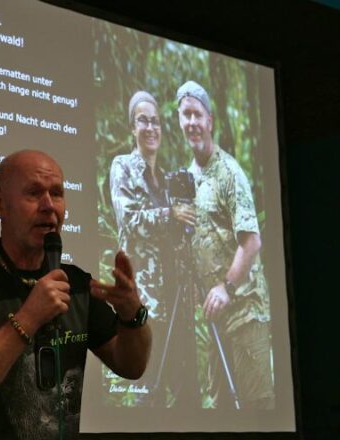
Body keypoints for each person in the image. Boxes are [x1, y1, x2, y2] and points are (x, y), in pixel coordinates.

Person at [0, 150, 151, 439]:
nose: (48, 206)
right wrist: (29, 318)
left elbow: (131, 366)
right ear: (0, 204)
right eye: (34, 193)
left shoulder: (78, 284)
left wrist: (132, 315)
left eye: (56, 194)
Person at [176, 80, 274, 410]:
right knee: (220, 409)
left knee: (256, 409)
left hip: (244, 310)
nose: (191, 122)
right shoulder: (190, 176)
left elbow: (251, 241)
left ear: (210, 120)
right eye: (185, 115)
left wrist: (226, 287)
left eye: (197, 114)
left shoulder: (229, 171)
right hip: (216, 318)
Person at [108, 91, 198, 407]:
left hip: (176, 301)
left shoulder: (167, 179)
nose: (151, 127)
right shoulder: (123, 167)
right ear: (133, 128)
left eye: (156, 121)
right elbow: (130, 220)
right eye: (143, 120)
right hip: (145, 303)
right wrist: (170, 215)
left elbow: (178, 238)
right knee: (152, 394)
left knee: (187, 395)